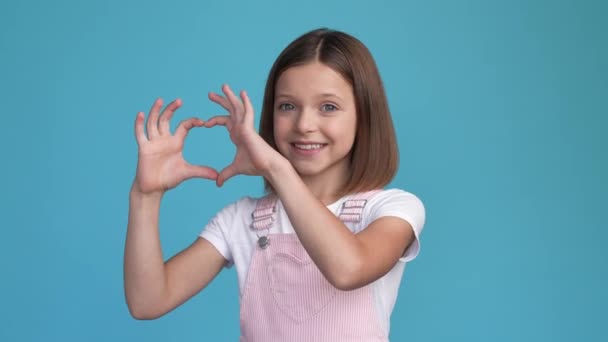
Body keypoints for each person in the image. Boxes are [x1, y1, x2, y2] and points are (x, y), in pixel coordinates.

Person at [124, 28, 426, 341]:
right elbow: (148, 301)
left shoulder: (392, 210)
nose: (304, 125)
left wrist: (274, 166)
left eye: (328, 107)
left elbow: (348, 269)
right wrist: (145, 196)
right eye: (287, 106)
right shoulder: (243, 220)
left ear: (364, 115)